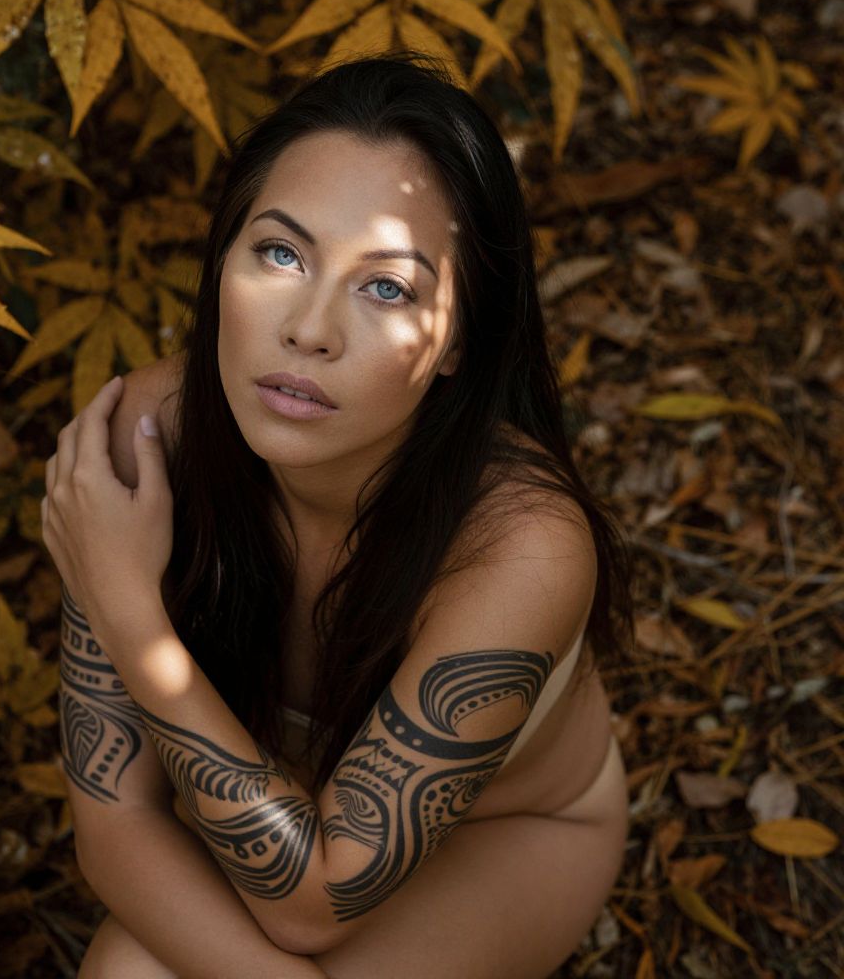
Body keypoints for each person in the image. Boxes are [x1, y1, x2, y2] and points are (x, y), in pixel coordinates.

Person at [42, 53, 635, 979]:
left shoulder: (520, 547)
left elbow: (317, 907)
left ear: (456, 346)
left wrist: (128, 610)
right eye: (280, 253)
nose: (309, 329)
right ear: (222, 260)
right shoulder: (147, 443)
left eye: (386, 287)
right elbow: (114, 823)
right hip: (263, 814)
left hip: (508, 835)